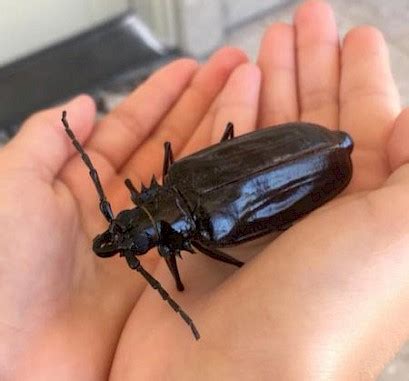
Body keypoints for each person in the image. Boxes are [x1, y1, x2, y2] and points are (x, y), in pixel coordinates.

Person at [1, 0, 408, 379]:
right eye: (127, 235)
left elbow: (228, 252)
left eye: (121, 224)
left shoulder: (210, 223)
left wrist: (181, 285)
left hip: (317, 157)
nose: (114, 236)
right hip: (313, 154)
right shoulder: (182, 175)